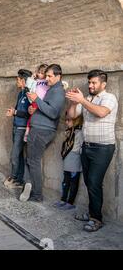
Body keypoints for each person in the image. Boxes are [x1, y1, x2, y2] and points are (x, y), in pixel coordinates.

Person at [66, 69, 118, 232]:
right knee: (89, 183)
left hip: (103, 148)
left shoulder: (109, 98)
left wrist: (82, 100)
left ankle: (96, 219)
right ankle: (92, 213)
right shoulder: (88, 98)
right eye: (89, 82)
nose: (91, 85)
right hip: (86, 147)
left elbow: (101, 112)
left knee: (94, 182)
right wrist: (75, 102)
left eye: (94, 82)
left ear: (103, 84)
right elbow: (72, 116)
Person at [19, 64, 66, 202]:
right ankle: (29, 186)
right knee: (31, 160)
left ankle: (37, 194)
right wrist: (36, 109)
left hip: (42, 130)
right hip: (39, 127)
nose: (47, 78)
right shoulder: (53, 89)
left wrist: (37, 100)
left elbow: (53, 112)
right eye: (46, 75)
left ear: (58, 76)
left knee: (33, 161)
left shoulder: (58, 91)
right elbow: (47, 109)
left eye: (50, 76)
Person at [4, 69, 32, 189]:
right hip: (16, 126)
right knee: (18, 154)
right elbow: (19, 110)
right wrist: (14, 111)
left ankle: (16, 177)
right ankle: (18, 179)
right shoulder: (20, 93)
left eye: (18, 80)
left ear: (24, 80)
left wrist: (15, 112)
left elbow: (28, 113)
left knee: (15, 155)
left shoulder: (29, 93)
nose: (17, 82)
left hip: (22, 128)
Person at [53, 114, 83, 210]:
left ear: (76, 120)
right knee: (65, 181)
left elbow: (80, 148)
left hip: (75, 160)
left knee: (73, 182)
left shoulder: (79, 133)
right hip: (67, 160)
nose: (66, 122)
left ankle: (70, 202)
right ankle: (63, 199)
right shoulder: (68, 132)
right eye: (66, 120)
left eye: (68, 120)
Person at [24, 64, 49, 142]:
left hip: (42, 101)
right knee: (31, 117)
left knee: (37, 117)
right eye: (39, 72)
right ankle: (27, 131)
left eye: (42, 73)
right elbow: (28, 86)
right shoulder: (36, 81)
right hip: (34, 100)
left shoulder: (47, 81)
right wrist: (32, 77)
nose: (39, 74)